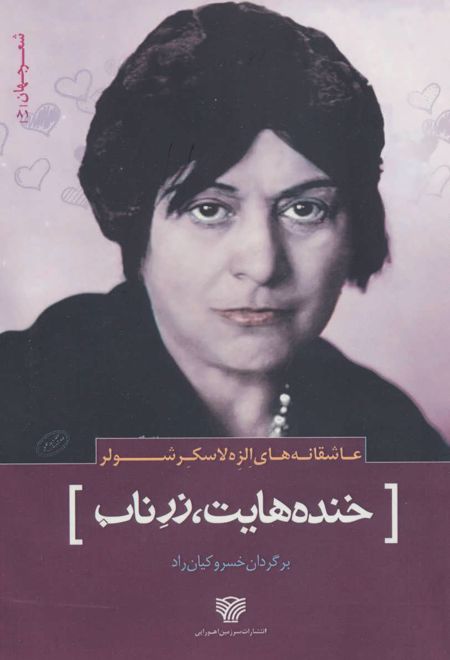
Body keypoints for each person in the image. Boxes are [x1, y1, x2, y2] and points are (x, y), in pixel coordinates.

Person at [1, 1, 448, 463]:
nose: (262, 264)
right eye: (210, 209)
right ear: (136, 223)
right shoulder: (23, 397)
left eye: (304, 209)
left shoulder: (390, 433)